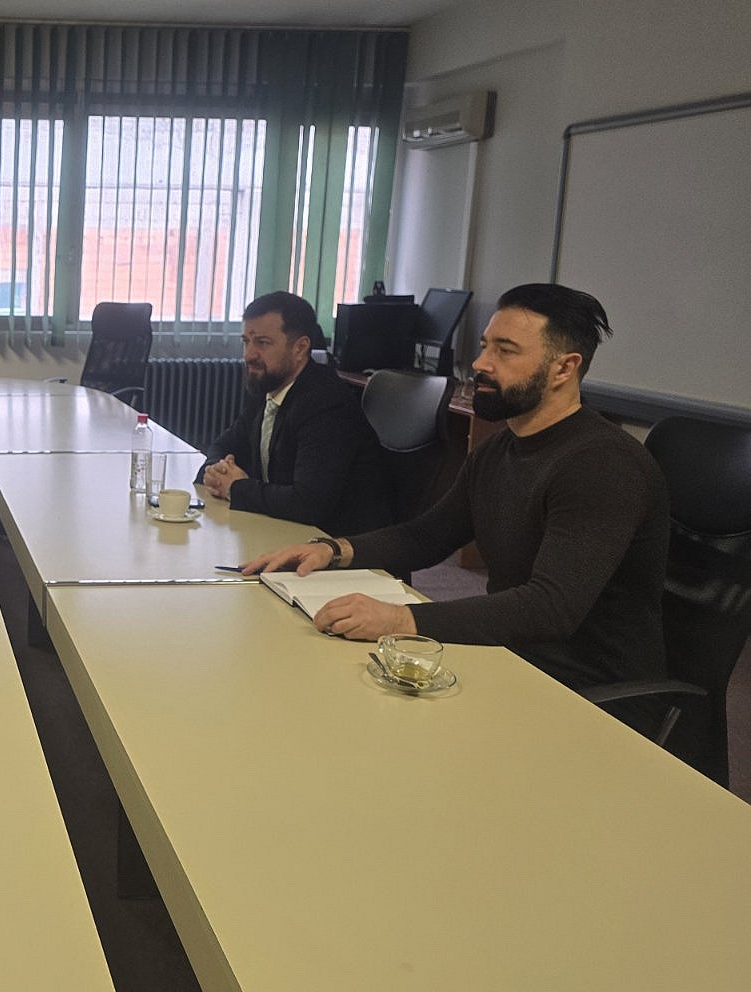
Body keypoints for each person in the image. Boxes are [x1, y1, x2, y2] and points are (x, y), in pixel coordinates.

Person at [247, 283, 668, 694]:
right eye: (485, 346)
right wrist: (333, 551)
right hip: (510, 655)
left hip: (585, 691)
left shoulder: (602, 465)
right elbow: (426, 536)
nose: (481, 363)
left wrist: (401, 620)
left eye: (505, 351)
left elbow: (549, 607)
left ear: (564, 368)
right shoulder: (500, 449)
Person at [198, 291, 393, 536]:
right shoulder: (267, 386)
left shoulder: (326, 403)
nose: (248, 355)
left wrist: (236, 488)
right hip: (284, 531)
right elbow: (223, 445)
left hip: (339, 544)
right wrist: (216, 471)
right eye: (246, 341)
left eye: (262, 343)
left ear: (300, 348)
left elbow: (307, 503)